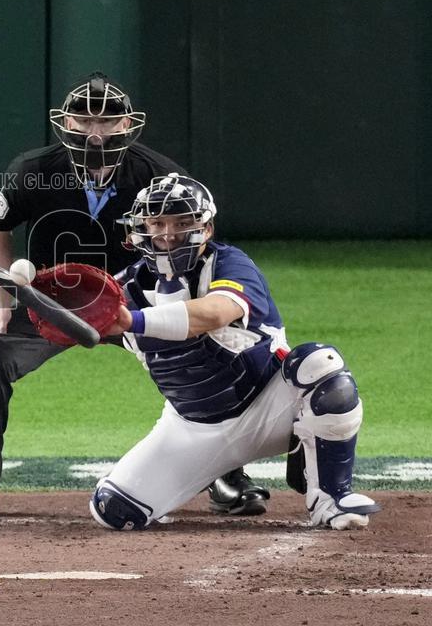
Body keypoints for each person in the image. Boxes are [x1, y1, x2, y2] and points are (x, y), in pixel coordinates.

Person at [0, 71, 268, 518]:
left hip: (139, 300)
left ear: (128, 125)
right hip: (54, 303)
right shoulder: (34, 172)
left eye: (107, 122)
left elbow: (194, 236)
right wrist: (3, 298)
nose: (95, 133)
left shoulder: (160, 175)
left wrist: (178, 303)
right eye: (83, 121)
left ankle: (225, 473)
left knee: (211, 357)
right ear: (64, 123)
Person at [91, 174, 380, 530]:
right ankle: (216, 475)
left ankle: (330, 496)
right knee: (115, 510)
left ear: (206, 228)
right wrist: (58, 317)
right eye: (157, 222)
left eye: (183, 223)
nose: (168, 234)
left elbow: (214, 313)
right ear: (138, 228)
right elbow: (76, 328)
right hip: (193, 427)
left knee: (321, 366)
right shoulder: (124, 288)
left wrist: (131, 320)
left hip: (271, 408)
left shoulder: (229, 264)